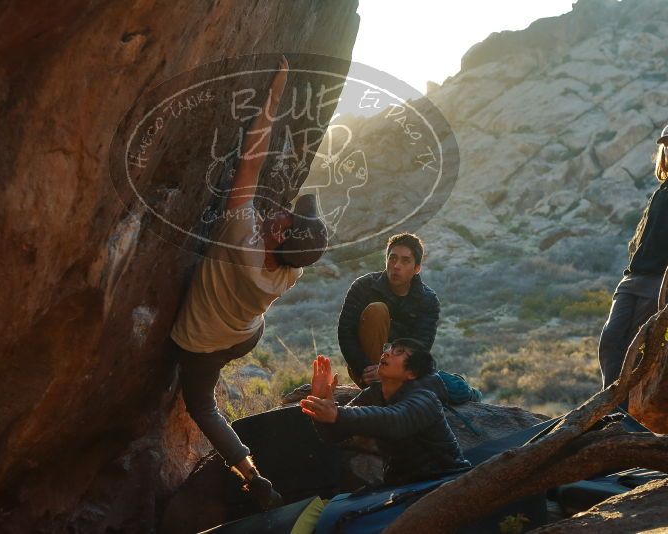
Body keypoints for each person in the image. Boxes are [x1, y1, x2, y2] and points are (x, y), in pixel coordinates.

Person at [170, 56, 328, 510]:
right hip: (242, 337)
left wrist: (274, 94)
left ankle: (251, 474)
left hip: (199, 341)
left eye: (286, 217)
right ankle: (253, 475)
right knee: (211, 392)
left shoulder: (240, 233)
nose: (281, 210)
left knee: (201, 407)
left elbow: (251, 160)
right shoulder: (289, 269)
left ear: (279, 232)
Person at [300, 340, 470, 486]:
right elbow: (334, 434)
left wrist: (338, 414)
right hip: (402, 485)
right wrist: (321, 400)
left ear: (412, 373)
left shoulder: (425, 398)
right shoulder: (374, 393)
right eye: (390, 348)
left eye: (400, 352)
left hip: (446, 481)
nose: (388, 353)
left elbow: (395, 419)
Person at [599, 120, 668, 393]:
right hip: (632, 279)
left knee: (634, 348)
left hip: (660, 283)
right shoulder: (663, 190)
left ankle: (622, 411)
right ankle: (608, 405)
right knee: (610, 339)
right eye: (666, 144)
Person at [337, 233, 440, 387]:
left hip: (402, 371)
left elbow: (421, 346)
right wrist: (365, 368)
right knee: (377, 310)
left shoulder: (428, 300)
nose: (396, 265)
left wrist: (390, 370)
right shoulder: (363, 287)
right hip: (365, 370)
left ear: (417, 268)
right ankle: (375, 388)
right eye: (392, 258)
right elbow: (345, 332)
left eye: (405, 261)